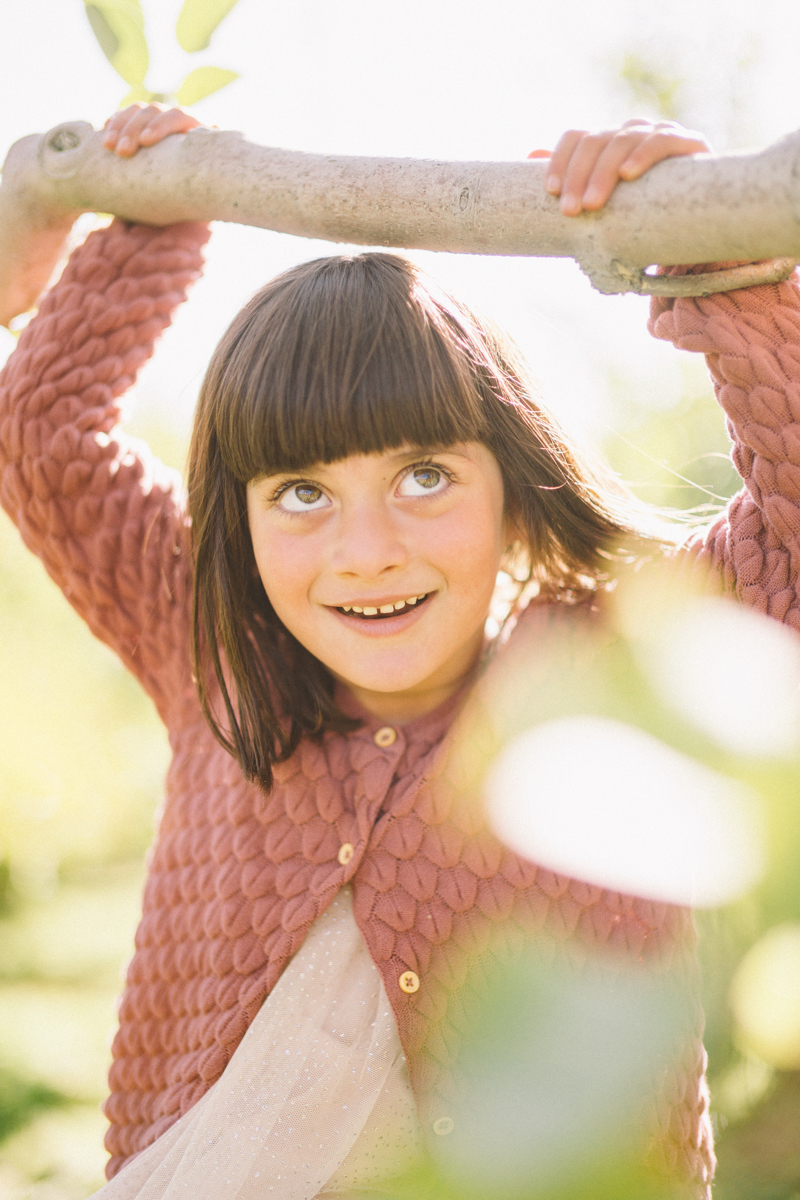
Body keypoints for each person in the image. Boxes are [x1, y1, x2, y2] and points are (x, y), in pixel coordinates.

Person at [2, 103, 795, 1199]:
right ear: (238, 524)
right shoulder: (216, 659)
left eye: (423, 475)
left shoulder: (601, 678)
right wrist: (153, 219)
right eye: (300, 494)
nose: (365, 553)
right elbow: (43, 430)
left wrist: (715, 264)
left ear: (513, 487)